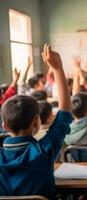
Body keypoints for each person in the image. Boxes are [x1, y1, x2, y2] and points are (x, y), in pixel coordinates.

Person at [0, 44, 72, 198]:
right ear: (36, 122)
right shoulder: (44, 151)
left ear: (4, 126)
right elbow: (65, 112)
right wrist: (58, 69)